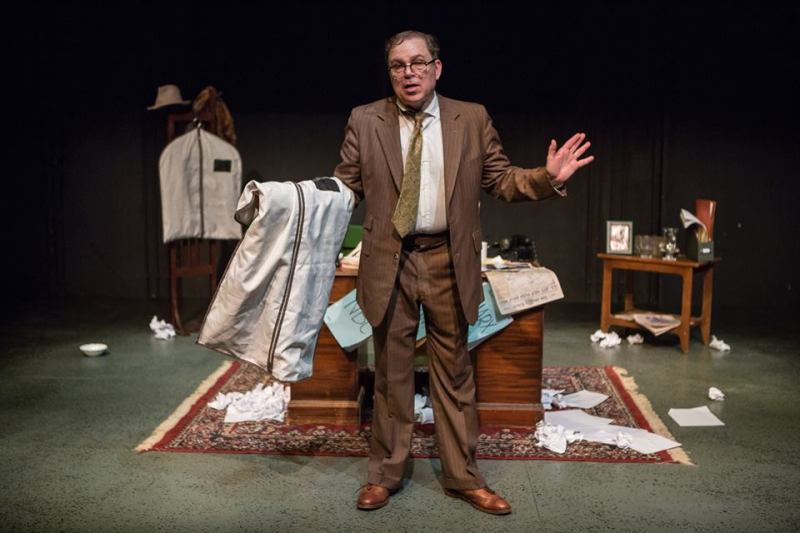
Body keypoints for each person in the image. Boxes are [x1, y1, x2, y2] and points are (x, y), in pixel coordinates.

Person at [334, 30, 593, 515]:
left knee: (453, 372)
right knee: (391, 375)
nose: (408, 73)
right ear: (389, 72)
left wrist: (546, 177)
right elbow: (344, 186)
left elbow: (500, 178)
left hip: (449, 259)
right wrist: (296, 204)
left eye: (417, 62)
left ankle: (463, 477)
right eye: (397, 65)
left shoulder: (469, 118)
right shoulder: (365, 120)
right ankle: (386, 474)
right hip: (391, 259)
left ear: (437, 67)